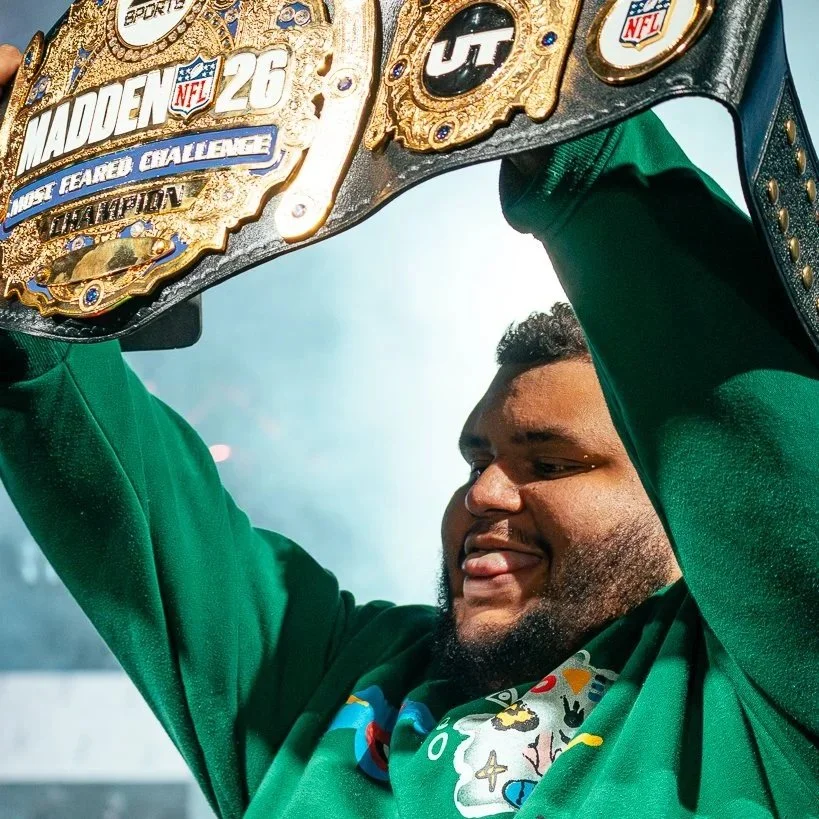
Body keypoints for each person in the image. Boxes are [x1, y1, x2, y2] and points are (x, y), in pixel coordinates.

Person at [0, 44, 816, 818]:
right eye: (478, 456)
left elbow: (729, 402)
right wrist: (15, 205)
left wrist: (563, 91)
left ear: (690, 507)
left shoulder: (750, 698)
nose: (486, 491)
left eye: (553, 462)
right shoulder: (335, 688)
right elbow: (103, 468)